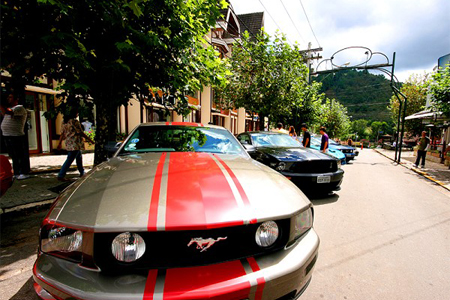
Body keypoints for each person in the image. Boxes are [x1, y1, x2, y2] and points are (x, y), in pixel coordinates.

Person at [57, 109, 94, 181]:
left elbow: (62, 133)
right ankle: (61, 175)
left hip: (69, 142)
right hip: (75, 143)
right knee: (70, 159)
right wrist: (90, 140)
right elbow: (81, 132)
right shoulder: (74, 122)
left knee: (79, 157)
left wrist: (59, 143)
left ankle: (82, 172)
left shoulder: (64, 122)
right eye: (77, 113)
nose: (78, 114)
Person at [0, 92, 30, 180]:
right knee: (13, 155)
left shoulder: (19, 108)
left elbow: (7, 112)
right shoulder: (11, 109)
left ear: (16, 99)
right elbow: (4, 113)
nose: (8, 99)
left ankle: (23, 172)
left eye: (10, 97)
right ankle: (17, 172)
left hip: (16, 135)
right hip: (8, 135)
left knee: (18, 155)